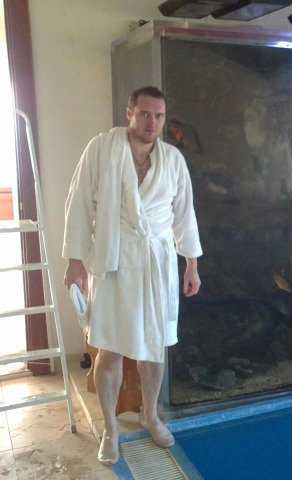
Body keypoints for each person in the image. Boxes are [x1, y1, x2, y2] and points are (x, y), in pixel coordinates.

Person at [62, 86, 202, 465]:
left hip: (157, 262)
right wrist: (75, 262)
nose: (151, 123)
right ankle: (110, 428)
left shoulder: (173, 160)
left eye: (158, 116)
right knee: (110, 347)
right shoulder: (101, 149)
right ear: (129, 113)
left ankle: (150, 415)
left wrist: (191, 263)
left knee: (155, 346)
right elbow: (78, 202)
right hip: (114, 258)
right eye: (144, 114)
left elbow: (184, 213)